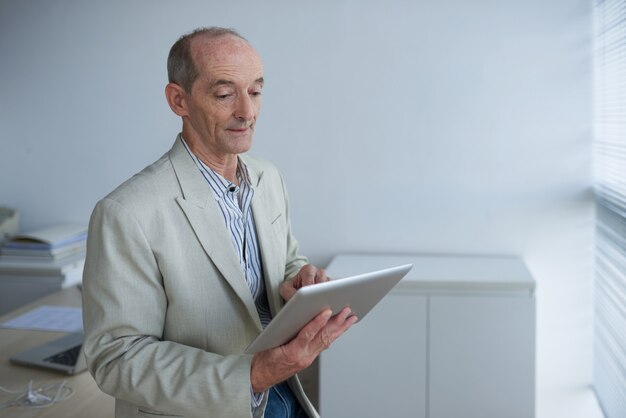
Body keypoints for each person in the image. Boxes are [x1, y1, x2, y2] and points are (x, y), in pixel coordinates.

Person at [81, 27, 356, 418]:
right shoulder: (125, 212)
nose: (247, 111)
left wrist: (301, 281)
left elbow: (287, 260)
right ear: (179, 100)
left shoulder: (268, 177)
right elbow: (117, 359)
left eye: (256, 91)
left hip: (286, 394)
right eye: (225, 94)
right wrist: (253, 375)